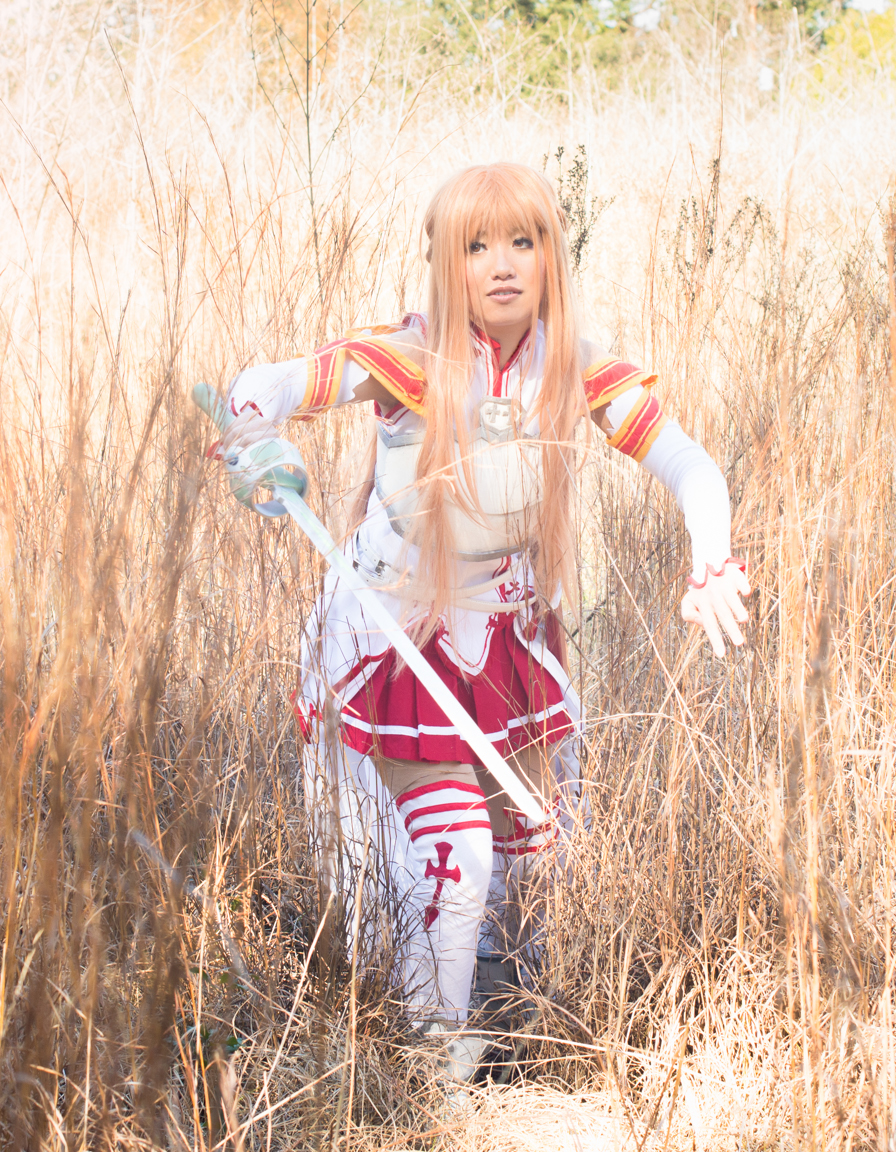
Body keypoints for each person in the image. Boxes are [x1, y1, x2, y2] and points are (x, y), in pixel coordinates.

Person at [212, 162, 751, 1084]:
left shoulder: (575, 365)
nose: (501, 264)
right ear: (444, 263)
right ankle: (432, 1068)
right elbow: (266, 384)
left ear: (550, 256)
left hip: (506, 633)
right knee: (456, 851)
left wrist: (712, 555)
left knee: (533, 844)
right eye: (475, 246)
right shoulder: (409, 359)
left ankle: (515, 1039)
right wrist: (254, 433)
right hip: (401, 632)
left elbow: (689, 464)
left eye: (522, 241)